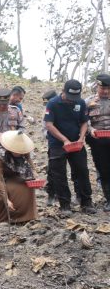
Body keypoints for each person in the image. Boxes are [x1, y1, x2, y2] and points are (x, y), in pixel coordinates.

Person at [45, 79, 95, 214]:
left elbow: (84, 122)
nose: (72, 100)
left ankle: (86, 202)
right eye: (70, 97)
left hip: (76, 143)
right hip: (57, 144)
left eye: (75, 97)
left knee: (82, 171)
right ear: (63, 91)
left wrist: (81, 138)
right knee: (59, 174)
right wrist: (64, 139)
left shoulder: (80, 102)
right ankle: (65, 204)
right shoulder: (53, 103)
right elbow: (49, 125)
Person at [0, 131, 38, 224]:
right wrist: (6, 200)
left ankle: (26, 216)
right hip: (0, 175)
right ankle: (6, 218)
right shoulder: (0, 155)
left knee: (28, 187)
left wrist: (35, 176)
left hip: (16, 173)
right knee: (10, 189)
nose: (18, 153)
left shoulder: (24, 152)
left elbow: (32, 168)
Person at [86, 73, 110, 211]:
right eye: (103, 89)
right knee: (104, 170)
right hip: (98, 141)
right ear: (97, 86)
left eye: (108, 89)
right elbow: (84, 121)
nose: (105, 92)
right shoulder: (88, 102)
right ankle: (109, 199)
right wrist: (91, 129)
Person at [41, 89, 59, 205]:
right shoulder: (46, 111)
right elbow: (44, 129)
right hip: (53, 144)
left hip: (69, 143)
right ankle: (51, 194)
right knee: (53, 169)